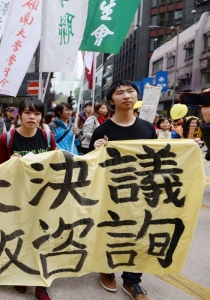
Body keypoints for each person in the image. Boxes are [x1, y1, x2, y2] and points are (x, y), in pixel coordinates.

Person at [90, 80, 156, 300]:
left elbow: (158, 159)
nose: (126, 95)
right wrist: (97, 148)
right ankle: (107, 268)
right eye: (120, 93)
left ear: (136, 96)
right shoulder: (102, 130)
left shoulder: (147, 128)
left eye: (130, 91)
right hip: (111, 193)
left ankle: (132, 282)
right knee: (110, 231)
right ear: (111, 100)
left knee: (139, 234)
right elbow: (92, 165)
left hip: (141, 192)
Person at [0, 98, 56, 299]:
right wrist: (9, 164)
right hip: (17, 197)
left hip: (43, 197)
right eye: (28, 113)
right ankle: (20, 275)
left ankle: (40, 283)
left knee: (43, 239)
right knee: (19, 238)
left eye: (37, 113)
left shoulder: (47, 137)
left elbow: (57, 164)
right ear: (19, 115)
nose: (32, 117)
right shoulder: (7, 138)